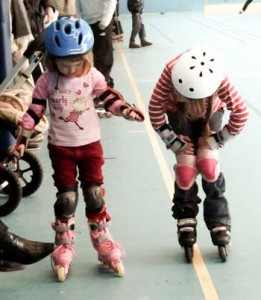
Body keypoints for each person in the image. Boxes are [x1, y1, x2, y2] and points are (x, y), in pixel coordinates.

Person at [14, 16, 144, 281]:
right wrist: (22, 140)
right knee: (67, 198)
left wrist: (125, 110)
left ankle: (102, 237)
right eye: (64, 64)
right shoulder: (47, 81)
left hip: (90, 146)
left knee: (94, 193)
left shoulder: (91, 75)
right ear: (53, 59)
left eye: (76, 63)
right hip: (61, 147)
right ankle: (64, 241)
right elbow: (34, 111)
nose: (71, 70)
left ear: (86, 57)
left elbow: (108, 97)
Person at [148, 46, 249, 261]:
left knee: (208, 166)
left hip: (211, 113)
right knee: (186, 171)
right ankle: (185, 217)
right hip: (177, 113)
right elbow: (155, 110)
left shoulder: (218, 76)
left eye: (197, 103)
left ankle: (219, 221)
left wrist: (216, 139)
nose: (194, 108)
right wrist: (174, 142)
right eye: (188, 100)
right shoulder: (170, 72)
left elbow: (241, 112)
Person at [76, 0, 117, 88]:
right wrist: (80, 21)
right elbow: (77, 3)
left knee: (104, 56)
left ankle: (105, 83)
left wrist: (104, 22)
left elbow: (112, 1)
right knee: (88, 56)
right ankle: (93, 84)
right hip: (86, 23)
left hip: (101, 22)